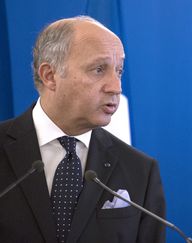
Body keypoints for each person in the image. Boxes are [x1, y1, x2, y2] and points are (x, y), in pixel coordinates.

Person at [0, 16, 166, 243]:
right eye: (99, 69)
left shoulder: (141, 171)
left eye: (119, 71)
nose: (116, 87)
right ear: (50, 76)